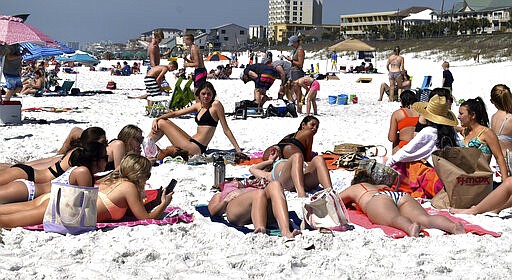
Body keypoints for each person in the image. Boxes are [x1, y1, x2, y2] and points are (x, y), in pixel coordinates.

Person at [0, 154, 174, 228]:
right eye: (147, 174)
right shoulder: (128, 187)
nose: (148, 178)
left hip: (58, 199)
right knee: (6, 222)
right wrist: (163, 205)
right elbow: (145, 219)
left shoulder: (112, 179)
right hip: (65, 211)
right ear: (139, 173)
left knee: (5, 213)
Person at [338, 169, 465, 237]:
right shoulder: (380, 185)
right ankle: (453, 227)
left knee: (394, 218)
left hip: (378, 198)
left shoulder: (356, 188)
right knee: (425, 218)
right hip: (400, 196)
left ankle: (410, 227)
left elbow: (335, 200)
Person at [386, 94, 459, 199]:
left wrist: (389, 164)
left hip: (436, 176)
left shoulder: (428, 131)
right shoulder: (451, 131)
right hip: (449, 172)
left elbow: (407, 151)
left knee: (402, 165)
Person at [147, 82, 242, 156]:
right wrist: (156, 118)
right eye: (203, 94)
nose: (206, 96)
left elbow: (226, 129)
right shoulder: (198, 106)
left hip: (195, 148)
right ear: (199, 95)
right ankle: (148, 144)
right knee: (162, 121)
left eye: (209, 94)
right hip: (192, 142)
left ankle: (147, 144)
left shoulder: (216, 105)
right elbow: (176, 113)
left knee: (162, 123)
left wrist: (238, 149)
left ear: (213, 94)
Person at [0, 141, 107, 204]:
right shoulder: (82, 172)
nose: (107, 160)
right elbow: (88, 205)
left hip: (29, 188)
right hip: (29, 190)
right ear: (95, 160)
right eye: (105, 157)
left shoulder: (80, 170)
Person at [0, 128, 107, 186]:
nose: (105, 144)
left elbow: (76, 131)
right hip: (29, 176)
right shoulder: (80, 156)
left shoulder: (77, 151)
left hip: (30, 174)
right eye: (103, 142)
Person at [207, 180, 300, 239]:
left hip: (260, 208)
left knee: (275, 184)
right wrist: (226, 200)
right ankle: (260, 230)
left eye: (238, 180)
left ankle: (286, 231)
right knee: (258, 193)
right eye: (230, 181)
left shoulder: (250, 188)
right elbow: (213, 211)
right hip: (235, 210)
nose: (235, 180)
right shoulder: (220, 194)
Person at [249, 144, 331, 197]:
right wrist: (270, 161)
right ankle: (301, 193)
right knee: (297, 156)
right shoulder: (268, 174)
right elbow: (252, 169)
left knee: (318, 159)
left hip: (303, 178)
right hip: (287, 182)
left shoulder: (290, 161)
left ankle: (330, 192)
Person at [458, 97, 508, 179]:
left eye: (461, 113)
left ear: (473, 115)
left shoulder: (487, 133)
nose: (458, 117)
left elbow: (499, 158)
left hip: (481, 181)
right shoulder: (465, 132)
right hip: (464, 181)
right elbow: (456, 128)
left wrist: (505, 182)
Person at [490, 84, 512, 161]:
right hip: (509, 161)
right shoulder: (510, 118)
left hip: (498, 162)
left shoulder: (493, 117)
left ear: (493, 101)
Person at [285, 35, 305, 113]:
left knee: (298, 91)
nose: (292, 46)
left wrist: (291, 60)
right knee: (293, 89)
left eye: (292, 44)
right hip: (294, 71)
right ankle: (296, 107)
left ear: (296, 42)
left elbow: (300, 64)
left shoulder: (300, 50)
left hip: (297, 72)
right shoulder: (296, 49)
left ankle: (299, 109)